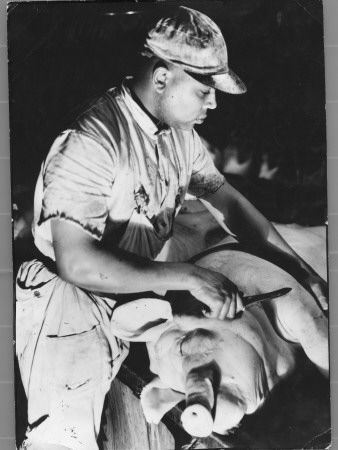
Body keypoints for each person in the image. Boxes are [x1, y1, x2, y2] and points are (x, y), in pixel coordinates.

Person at [15, 6, 327, 450]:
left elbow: (231, 205)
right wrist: (190, 276)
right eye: (204, 89)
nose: (213, 102)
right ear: (162, 77)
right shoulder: (92, 141)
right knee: (62, 440)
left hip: (135, 293)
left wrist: (303, 273)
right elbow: (77, 262)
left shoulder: (178, 135)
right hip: (71, 303)